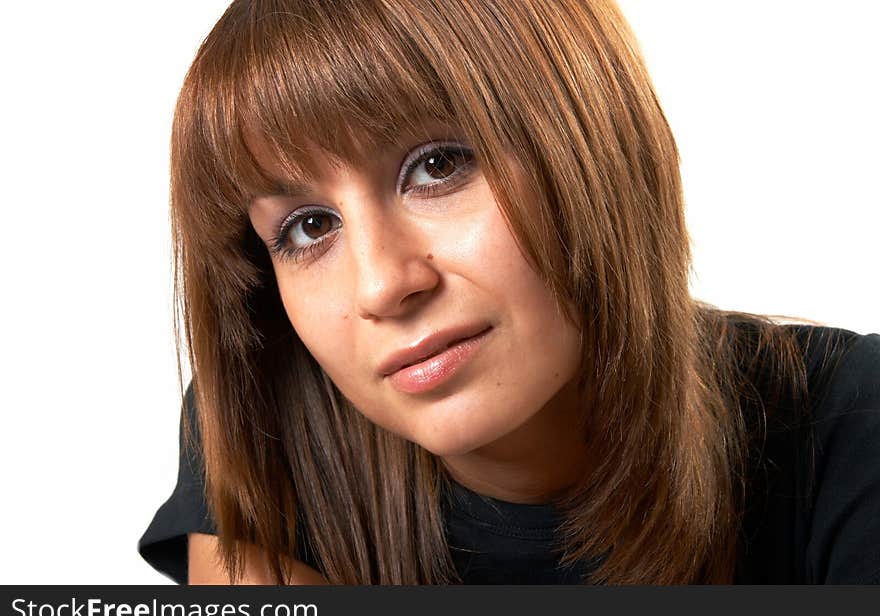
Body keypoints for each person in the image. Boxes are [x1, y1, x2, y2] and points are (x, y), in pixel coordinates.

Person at [138, 0, 880, 585]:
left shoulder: (850, 421)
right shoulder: (261, 415)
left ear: (594, 137)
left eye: (437, 166)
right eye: (307, 228)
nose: (383, 284)